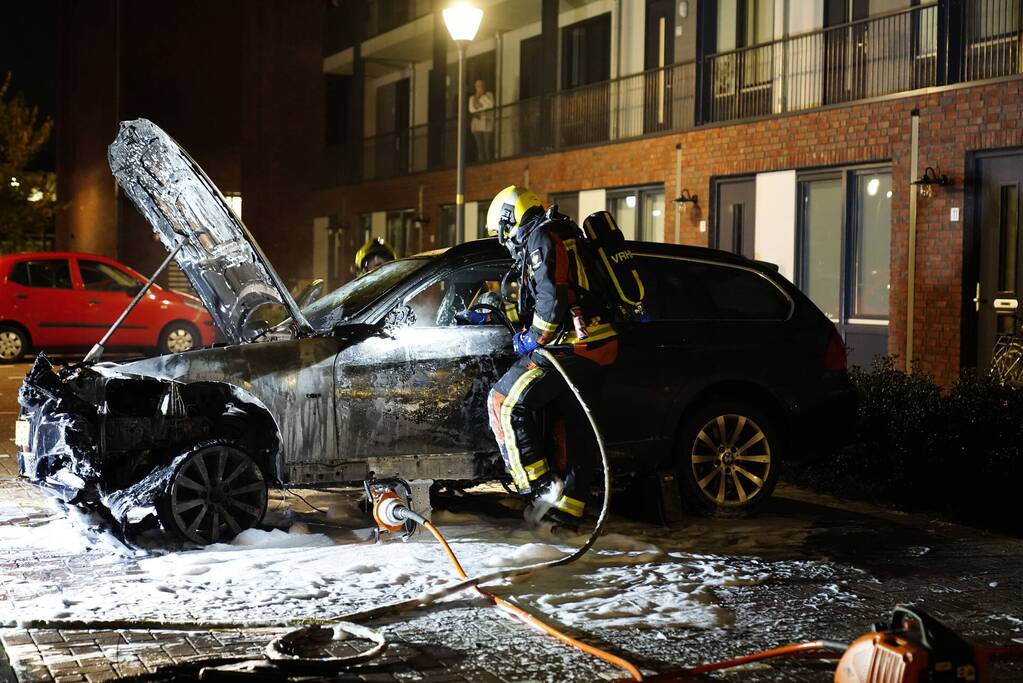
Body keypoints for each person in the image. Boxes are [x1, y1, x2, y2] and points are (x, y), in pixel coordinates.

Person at [479, 185, 618, 532]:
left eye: (502, 231)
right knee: (572, 427)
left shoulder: (540, 239)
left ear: (511, 219)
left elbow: (550, 303)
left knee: (503, 403)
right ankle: (570, 509)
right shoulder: (562, 231)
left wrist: (532, 338)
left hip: (571, 347)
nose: (504, 240)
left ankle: (540, 488)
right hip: (599, 344)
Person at [468, 79, 495, 162]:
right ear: (475, 87)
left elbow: (490, 105)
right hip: (477, 123)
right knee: (480, 147)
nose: (479, 88)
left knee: (487, 146)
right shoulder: (472, 98)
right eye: (477, 86)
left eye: (481, 85)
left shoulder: (488, 95)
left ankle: (489, 164)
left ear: (484, 86)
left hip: (486, 123)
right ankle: (481, 165)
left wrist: (482, 97)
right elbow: (472, 110)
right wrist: (482, 107)